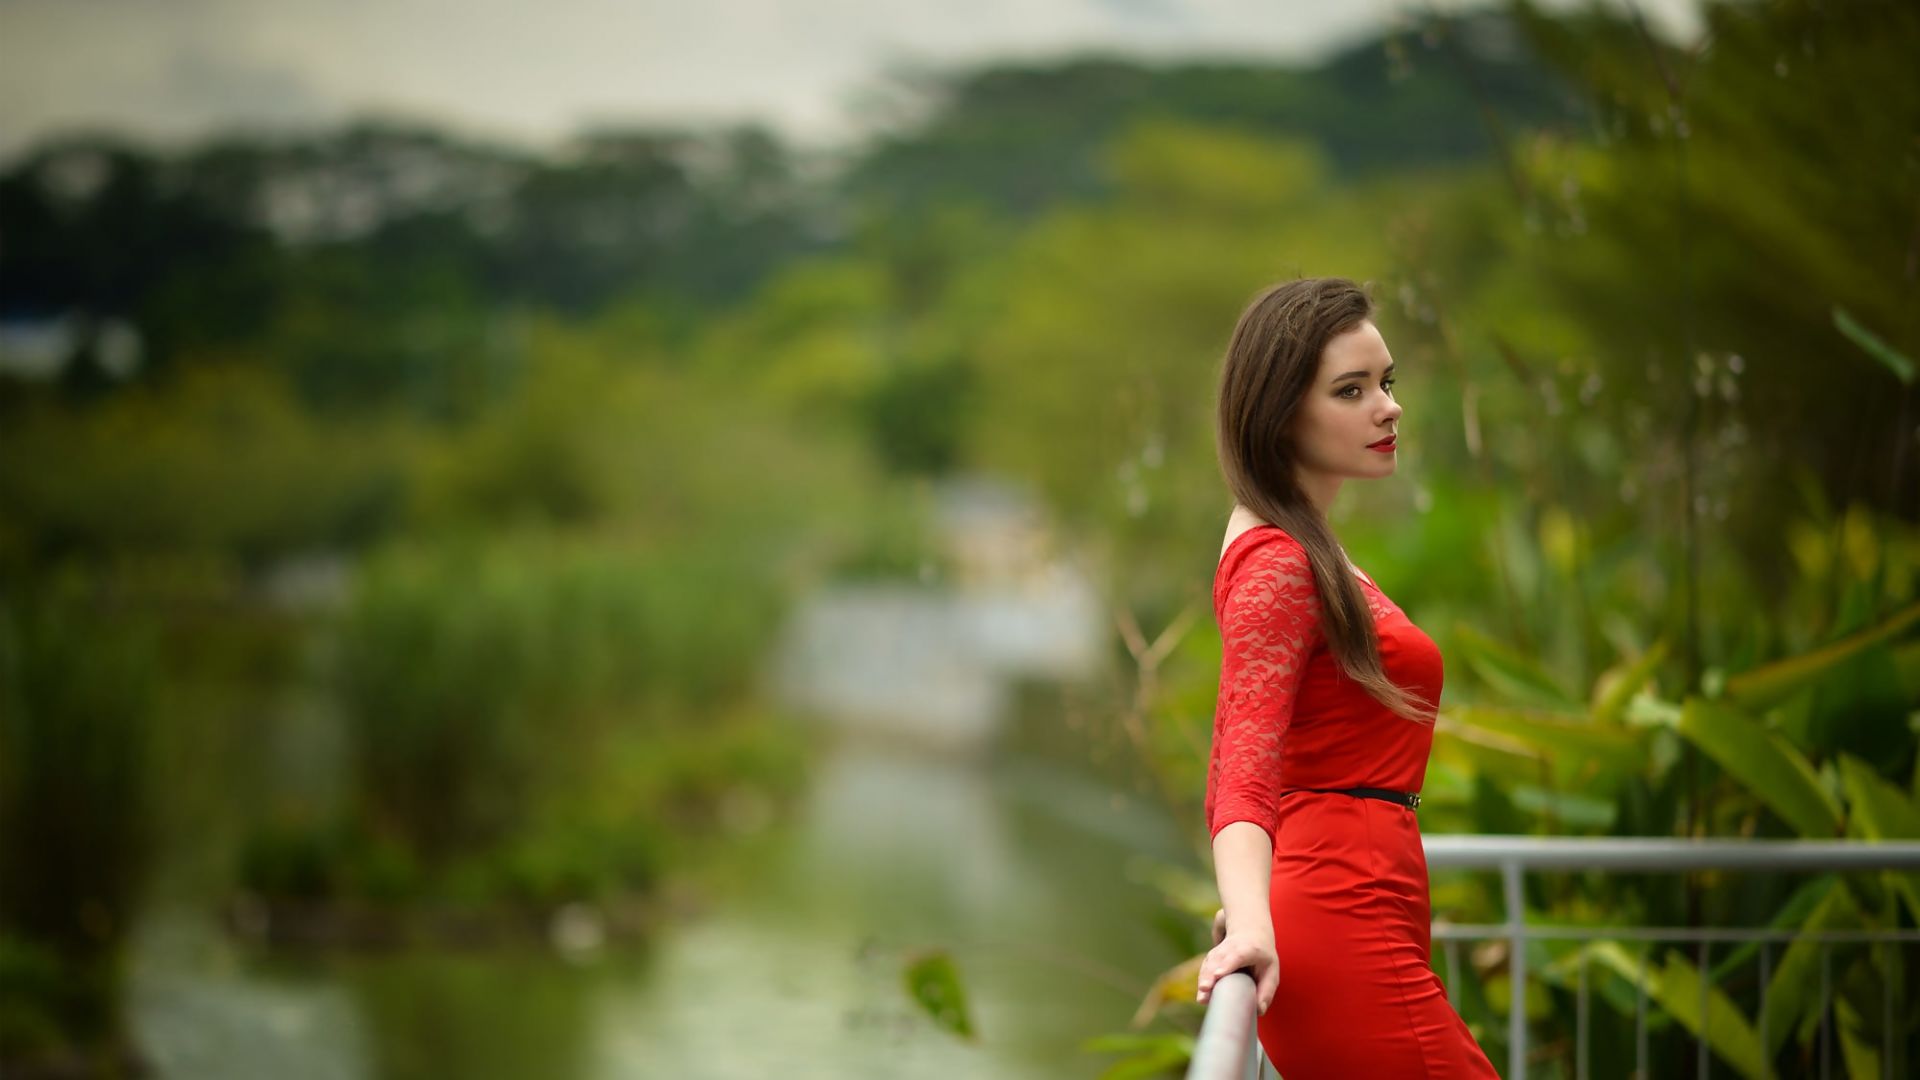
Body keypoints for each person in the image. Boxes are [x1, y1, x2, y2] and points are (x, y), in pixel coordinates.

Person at [1192, 277, 1497, 1077]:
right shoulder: (1277, 562)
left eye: (1386, 383)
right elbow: (1242, 768)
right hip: (1340, 913)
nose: (1388, 407)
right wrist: (1254, 920)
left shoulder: (1305, 547)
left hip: (1367, 898)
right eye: (1351, 390)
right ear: (1281, 410)